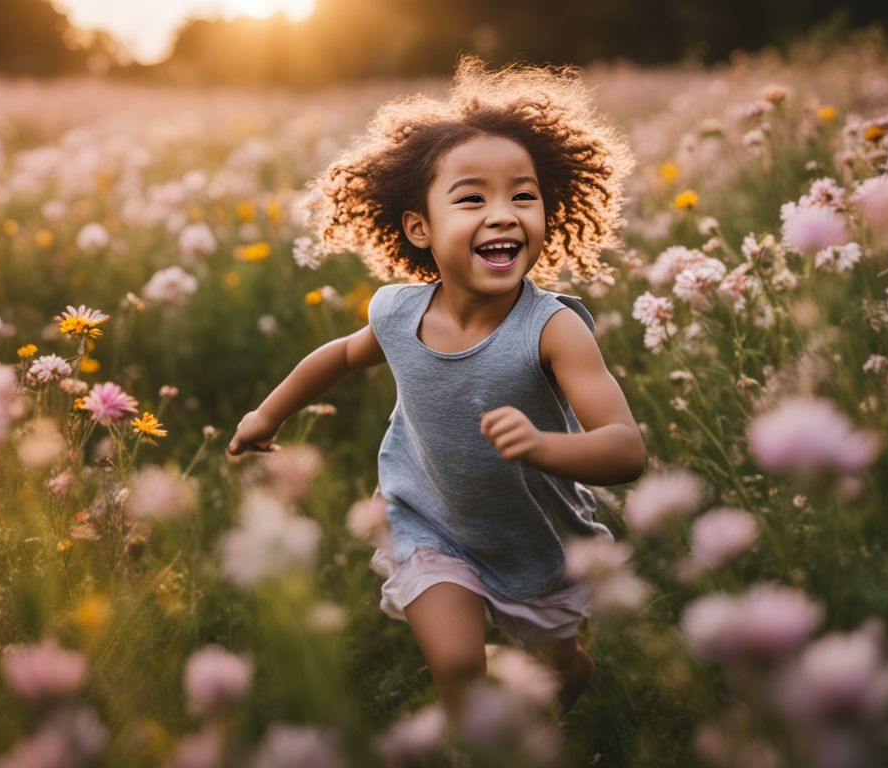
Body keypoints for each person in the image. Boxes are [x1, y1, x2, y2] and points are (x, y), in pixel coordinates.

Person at [227, 56, 644, 718]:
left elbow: (625, 450)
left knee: (553, 671)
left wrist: (541, 446)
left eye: (524, 195)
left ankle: (567, 681)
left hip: (537, 539)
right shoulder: (398, 314)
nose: (504, 215)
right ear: (419, 227)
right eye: (473, 198)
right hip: (428, 519)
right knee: (456, 668)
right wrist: (266, 415)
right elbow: (336, 357)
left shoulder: (554, 330)